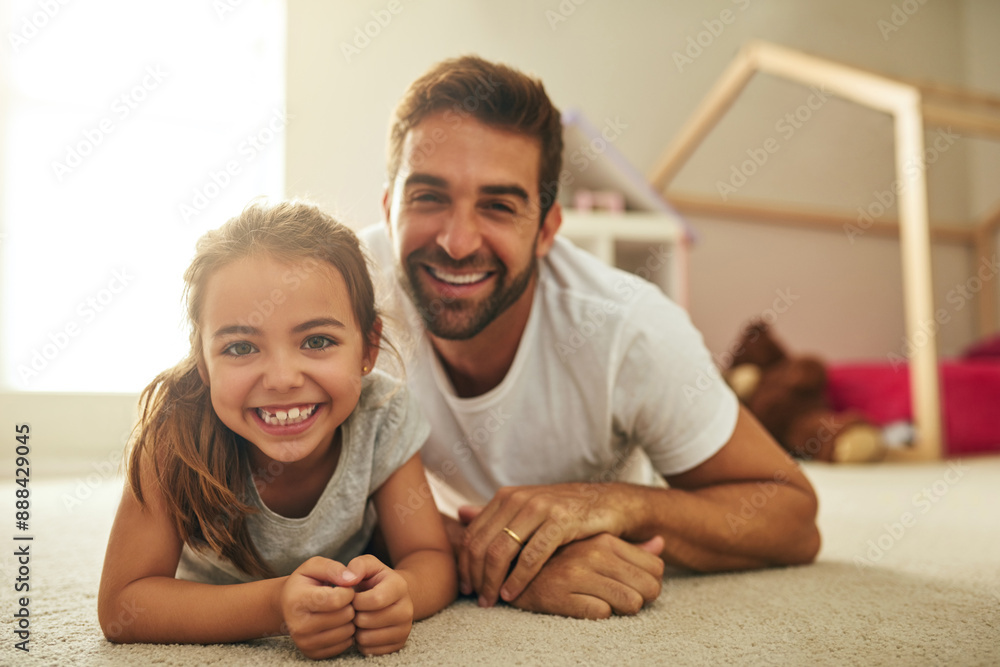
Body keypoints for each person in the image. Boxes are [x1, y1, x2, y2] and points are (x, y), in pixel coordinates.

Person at [360, 55, 821, 620]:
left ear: (548, 229)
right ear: (388, 208)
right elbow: (286, 505)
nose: (457, 242)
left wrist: (617, 505)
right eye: (428, 197)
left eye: (499, 206)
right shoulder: (344, 297)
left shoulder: (627, 328)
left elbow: (793, 519)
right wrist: (508, 560)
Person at [98, 201, 456, 659]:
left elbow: (431, 557)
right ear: (203, 361)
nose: (283, 378)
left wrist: (399, 594)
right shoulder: (173, 430)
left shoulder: (382, 412)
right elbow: (121, 605)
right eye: (242, 346)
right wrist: (275, 605)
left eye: (317, 341)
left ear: (367, 348)